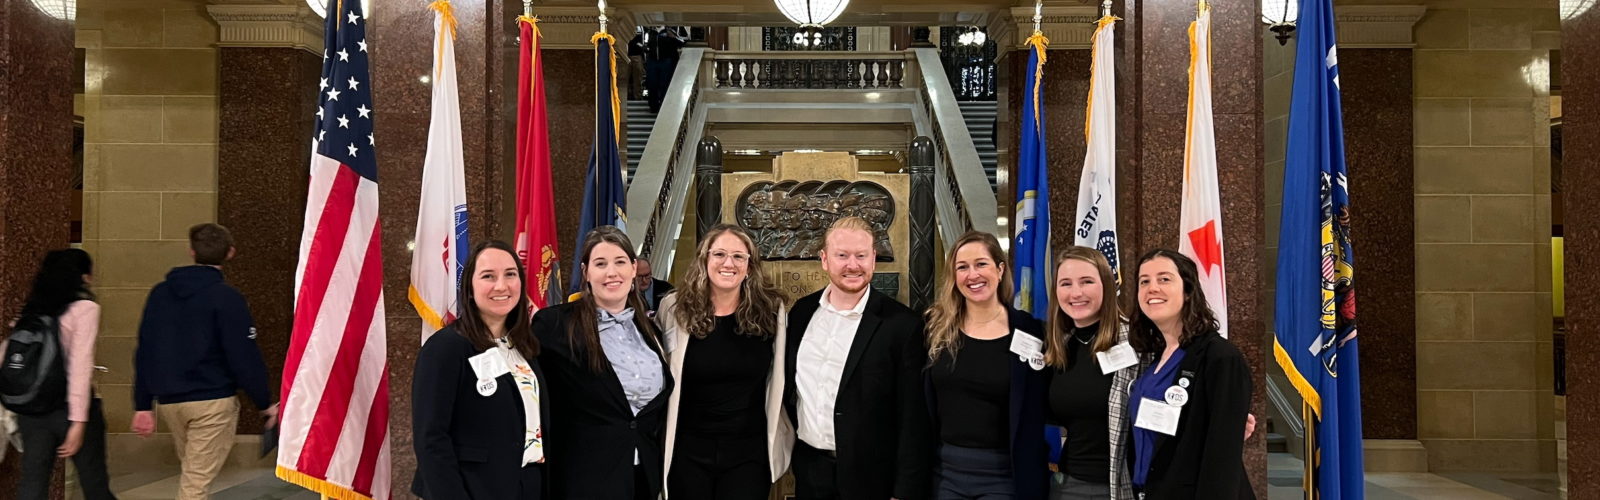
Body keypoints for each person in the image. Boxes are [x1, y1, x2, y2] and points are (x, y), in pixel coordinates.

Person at [785, 216, 932, 500]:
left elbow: (913, 417)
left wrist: (905, 491)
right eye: (842, 255)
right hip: (810, 471)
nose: (852, 265)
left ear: (873, 259)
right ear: (825, 259)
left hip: (874, 478)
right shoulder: (802, 313)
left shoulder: (902, 325)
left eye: (861, 255)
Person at [130, 223, 276, 500]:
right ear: (230, 253)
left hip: (170, 401)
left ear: (191, 251)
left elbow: (145, 348)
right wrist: (264, 402)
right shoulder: (227, 298)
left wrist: (142, 404)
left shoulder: (160, 294)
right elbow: (243, 355)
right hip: (212, 399)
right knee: (195, 483)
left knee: (193, 473)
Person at [534, 226, 674, 500]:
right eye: (601, 264)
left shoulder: (651, 331)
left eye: (620, 262)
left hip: (642, 476)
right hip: (583, 479)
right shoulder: (554, 325)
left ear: (634, 269)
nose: (612, 272)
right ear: (586, 273)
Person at [658, 224, 793, 499]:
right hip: (687, 450)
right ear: (704, 260)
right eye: (719, 254)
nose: (728, 263)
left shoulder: (771, 311)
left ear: (750, 266)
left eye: (738, 256)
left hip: (748, 454)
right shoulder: (674, 308)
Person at [412, 240, 550, 499]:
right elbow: (431, 439)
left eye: (510, 274)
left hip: (526, 485)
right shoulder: (445, 349)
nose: (502, 285)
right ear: (470, 288)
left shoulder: (525, 346)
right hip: (473, 489)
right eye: (488, 276)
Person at [923, 231, 1048, 500]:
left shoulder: (1032, 332)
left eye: (981, 264)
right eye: (962, 267)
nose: (973, 275)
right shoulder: (934, 330)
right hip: (943, 475)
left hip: (1005, 477)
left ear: (1000, 269)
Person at [1125, 249, 1253, 498]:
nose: (1152, 288)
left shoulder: (1220, 357)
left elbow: (1222, 458)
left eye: (1164, 279)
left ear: (1187, 290)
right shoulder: (1155, 358)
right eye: (1144, 281)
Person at [6, 249, 115, 500]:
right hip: (69, 409)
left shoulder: (32, 310)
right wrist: (78, 421)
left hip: (33, 411)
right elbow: (80, 366)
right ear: (84, 277)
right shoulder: (85, 309)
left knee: (32, 484)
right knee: (94, 482)